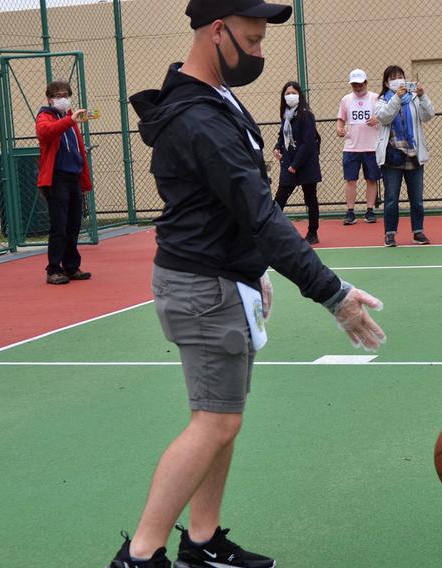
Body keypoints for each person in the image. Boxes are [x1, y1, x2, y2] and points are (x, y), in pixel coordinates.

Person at [117, 2, 387, 567]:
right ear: (217, 32)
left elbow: (232, 206)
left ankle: (202, 540)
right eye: (253, 39)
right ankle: (141, 556)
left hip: (218, 276)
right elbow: (261, 213)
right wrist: (334, 295)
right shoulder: (200, 117)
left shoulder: (215, 98)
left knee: (221, 418)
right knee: (215, 420)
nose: (261, 52)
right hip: (203, 286)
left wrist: (253, 268)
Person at [35, 80, 92, 285]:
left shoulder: (69, 117)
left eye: (65, 95)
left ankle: (71, 266)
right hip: (57, 179)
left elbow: (76, 141)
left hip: (73, 177)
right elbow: (45, 132)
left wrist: (78, 117)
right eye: (58, 96)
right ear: (50, 99)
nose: (62, 99)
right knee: (59, 225)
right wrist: (70, 120)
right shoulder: (45, 116)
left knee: (73, 224)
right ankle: (53, 269)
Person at [374, 65, 435, 247]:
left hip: (413, 155)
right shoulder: (382, 100)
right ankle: (390, 233)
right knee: (391, 198)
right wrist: (397, 98)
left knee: (416, 199)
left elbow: (428, 115)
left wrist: (423, 95)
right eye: (393, 78)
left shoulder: (415, 98)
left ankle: (418, 232)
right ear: (386, 82)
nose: (398, 80)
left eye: (400, 76)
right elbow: (384, 117)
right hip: (392, 156)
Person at [272, 81, 322, 244]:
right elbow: (282, 135)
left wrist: (296, 164)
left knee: (310, 199)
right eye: (287, 93)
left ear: (300, 95)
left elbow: (308, 142)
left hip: (305, 165)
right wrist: (277, 147)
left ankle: (313, 232)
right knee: (279, 200)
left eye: (293, 93)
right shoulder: (285, 115)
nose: (290, 96)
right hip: (289, 163)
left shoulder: (307, 115)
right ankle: (271, 232)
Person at [336, 69, 380, 225]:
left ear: (366, 83)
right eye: (354, 84)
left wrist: (377, 119)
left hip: (372, 146)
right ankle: (350, 212)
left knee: (371, 179)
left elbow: (385, 115)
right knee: (350, 180)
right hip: (351, 147)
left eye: (360, 83)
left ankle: (370, 210)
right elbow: (341, 119)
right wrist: (339, 128)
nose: (358, 87)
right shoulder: (346, 100)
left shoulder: (376, 98)